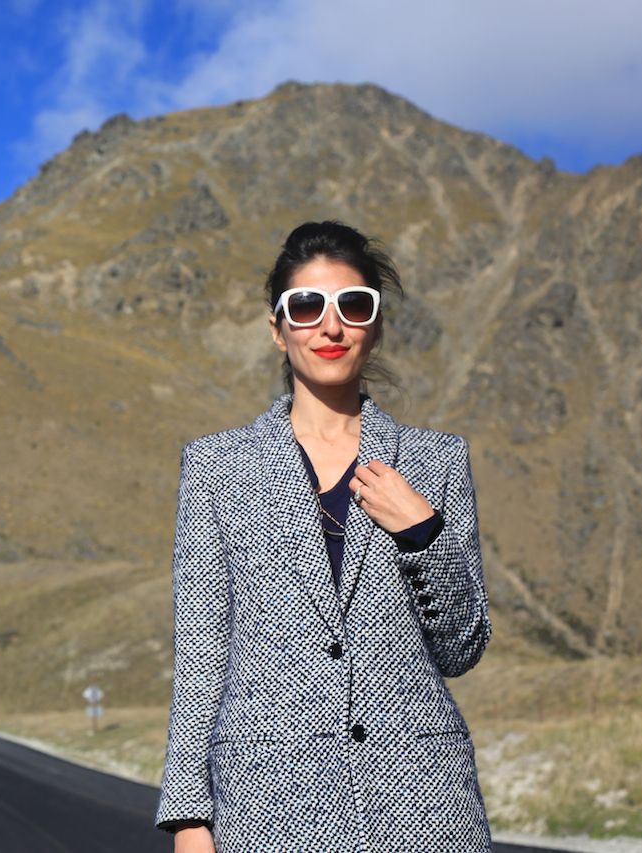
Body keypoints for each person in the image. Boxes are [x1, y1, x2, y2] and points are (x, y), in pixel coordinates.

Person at [154, 221, 491, 853]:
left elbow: (460, 649)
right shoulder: (217, 466)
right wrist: (188, 819)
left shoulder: (437, 461)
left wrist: (423, 532)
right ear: (278, 330)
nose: (330, 327)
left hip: (424, 806)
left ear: (377, 325)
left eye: (353, 306)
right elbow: (202, 656)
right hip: (269, 806)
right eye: (306, 307)